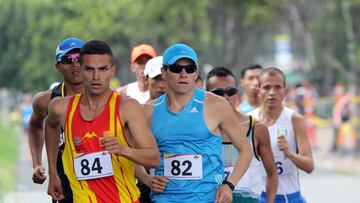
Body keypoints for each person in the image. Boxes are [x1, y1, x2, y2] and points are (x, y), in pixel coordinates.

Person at [44, 40, 160, 203]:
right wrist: (52, 173)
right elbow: (50, 126)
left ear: (112, 71)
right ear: (81, 70)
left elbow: (154, 158)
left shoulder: (127, 108)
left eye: (103, 69)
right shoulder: (60, 108)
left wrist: (123, 149)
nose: (96, 77)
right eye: (89, 69)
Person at [143, 43, 252, 203]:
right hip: (164, 199)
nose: (183, 73)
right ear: (164, 72)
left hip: (207, 199)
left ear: (196, 73)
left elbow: (246, 150)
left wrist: (229, 184)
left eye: (189, 68)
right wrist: (146, 178)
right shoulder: (148, 111)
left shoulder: (216, 105)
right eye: (176, 68)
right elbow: (128, 153)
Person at [206, 67, 277, 203]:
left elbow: (272, 174)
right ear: (207, 95)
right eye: (219, 92)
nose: (226, 96)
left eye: (231, 91)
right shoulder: (199, 130)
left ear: (237, 93)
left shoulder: (257, 129)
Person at [28, 37, 85, 203]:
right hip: (64, 184)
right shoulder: (45, 100)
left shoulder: (105, 97)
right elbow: (34, 125)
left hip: (102, 181)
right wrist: (37, 163)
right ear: (58, 66)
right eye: (68, 59)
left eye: (79, 58)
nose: (75, 64)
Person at [249, 67, 314, 203]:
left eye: (277, 87)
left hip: (289, 196)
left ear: (285, 91)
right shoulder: (249, 120)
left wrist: (289, 153)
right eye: (266, 87)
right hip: (256, 196)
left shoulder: (295, 120)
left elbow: (309, 166)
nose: (272, 93)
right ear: (259, 90)